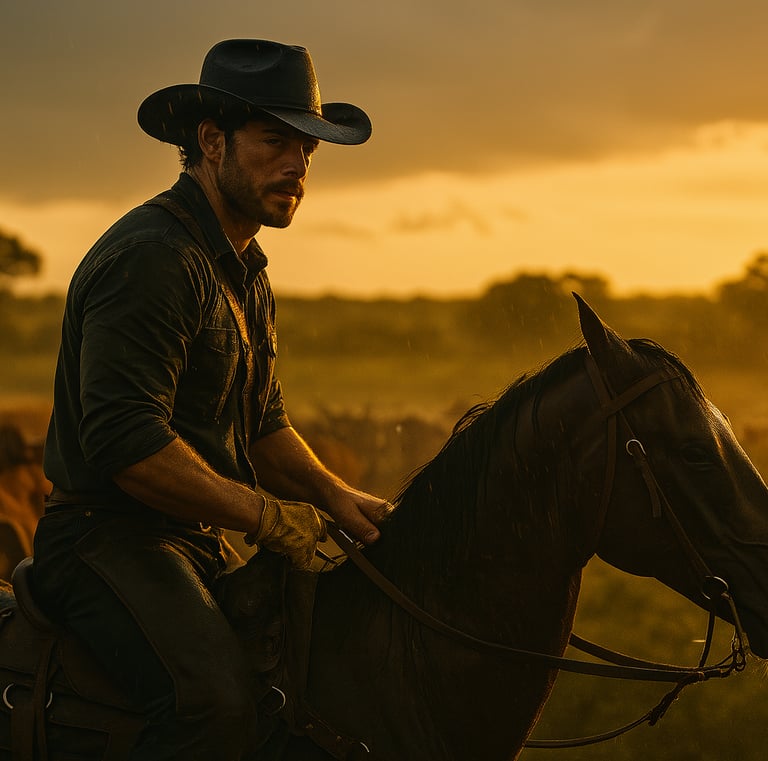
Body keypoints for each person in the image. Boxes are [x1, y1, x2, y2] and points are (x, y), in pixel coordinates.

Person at [32, 38, 391, 760]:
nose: (297, 165)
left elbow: (261, 424)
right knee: (213, 707)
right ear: (210, 141)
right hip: (107, 541)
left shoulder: (246, 271)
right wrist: (265, 515)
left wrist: (336, 496)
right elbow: (126, 443)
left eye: (309, 150)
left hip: (193, 539)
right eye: (276, 141)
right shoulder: (153, 258)